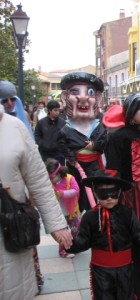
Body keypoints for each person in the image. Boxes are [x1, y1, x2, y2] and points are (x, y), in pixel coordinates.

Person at [0, 103, 73, 299]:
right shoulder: (41, 122)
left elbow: (38, 180)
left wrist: (57, 224)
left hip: (10, 228)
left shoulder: (14, 127)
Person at [66, 169, 140, 300]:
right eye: (103, 193)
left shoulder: (127, 213)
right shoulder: (90, 217)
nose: (109, 198)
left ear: (119, 192)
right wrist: (69, 243)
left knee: (126, 295)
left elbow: (138, 234)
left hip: (125, 268)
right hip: (101, 270)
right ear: (96, 193)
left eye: (113, 193)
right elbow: (83, 241)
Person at [105, 93, 140, 299]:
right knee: (132, 239)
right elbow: (113, 171)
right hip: (128, 195)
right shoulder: (118, 137)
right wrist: (114, 199)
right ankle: (132, 288)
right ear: (131, 111)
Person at [58, 72, 107, 212]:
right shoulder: (66, 128)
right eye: (75, 92)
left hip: (94, 165)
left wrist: (96, 145)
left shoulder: (99, 125)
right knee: (77, 194)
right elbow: (63, 145)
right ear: (65, 97)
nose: (83, 97)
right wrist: (72, 158)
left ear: (97, 97)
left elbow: (104, 141)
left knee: (95, 191)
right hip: (75, 166)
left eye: (90, 92)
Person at [45, 158, 80, 258]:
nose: (49, 180)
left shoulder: (69, 178)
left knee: (76, 229)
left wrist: (62, 193)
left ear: (59, 173)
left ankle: (73, 246)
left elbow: (76, 190)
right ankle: (63, 250)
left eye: (51, 178)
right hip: (58, 213)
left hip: (71, 211)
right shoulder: (48, 184)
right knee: (62, 234)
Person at [35, 100, 66, 165]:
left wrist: (61, 146)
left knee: (60, 173)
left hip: (59, 154)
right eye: (55, 110)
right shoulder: (41, 123)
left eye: (58, 110)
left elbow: (66, 136)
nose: (57, 112)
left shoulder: (63, 123)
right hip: (45, 154)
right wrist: (43, 144)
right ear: (49, 110)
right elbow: (37, 135)